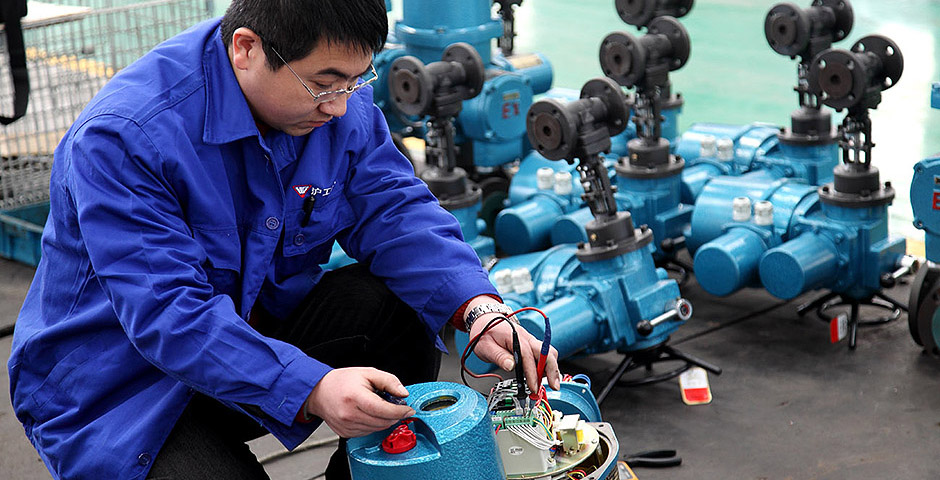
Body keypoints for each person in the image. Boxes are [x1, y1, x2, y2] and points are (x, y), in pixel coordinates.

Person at [7, 0, 560, 478]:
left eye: (356, 80)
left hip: (250, 331)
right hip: (122, 387)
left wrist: (478, 308)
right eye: (324, 84)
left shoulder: (335, 98)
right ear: (246, 48)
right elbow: (168, 313)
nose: (339, 105)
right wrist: (312, 387)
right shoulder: (125, 139)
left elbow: (394, 209)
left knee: (398, 306)